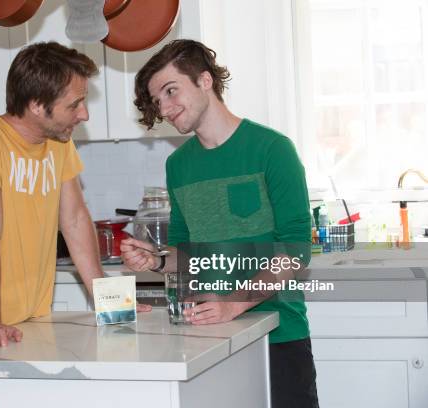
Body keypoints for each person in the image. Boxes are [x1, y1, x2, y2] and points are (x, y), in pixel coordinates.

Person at [121, 39, 319, 408]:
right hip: (205, 342)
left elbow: (295, 250)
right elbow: (188, 252)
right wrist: (158, 260)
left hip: (277, 336)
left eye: (170, 90)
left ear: (205, 81)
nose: (164, 107)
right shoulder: (178, 166)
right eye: (157, 100)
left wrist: (233, 303)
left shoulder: (272, 149)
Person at [0, 42, 150, 353]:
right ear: (35, 104)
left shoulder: (58, 142)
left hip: (30, 325)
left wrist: (110, 300)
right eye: (74, 105)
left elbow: (74, 220)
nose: (83, 114)